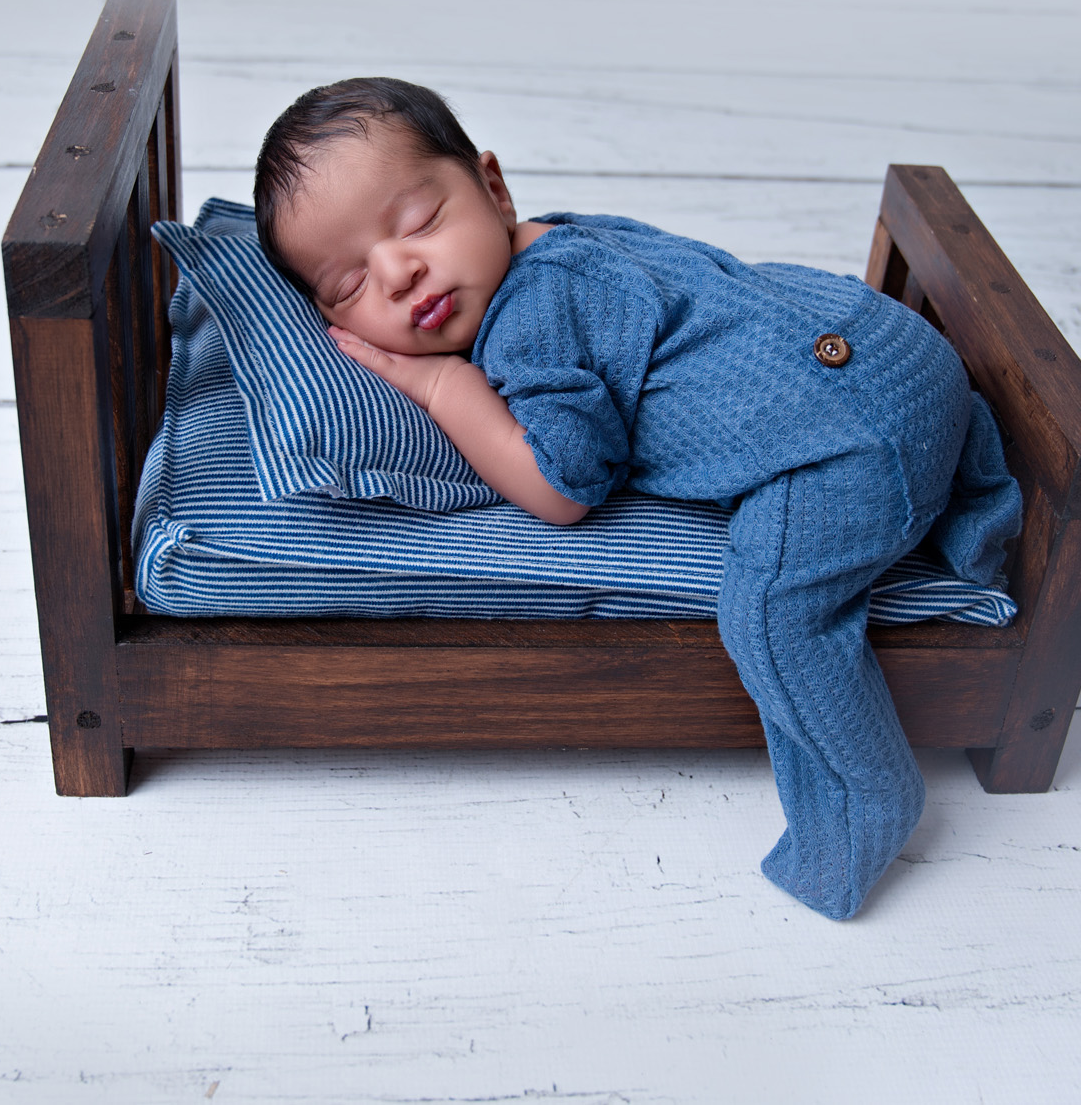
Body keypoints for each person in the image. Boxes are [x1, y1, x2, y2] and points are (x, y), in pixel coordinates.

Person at [253, 77, 1020, 919]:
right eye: (348, 284)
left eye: (418, 223)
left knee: (773, 614)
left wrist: (444, 390)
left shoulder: (529, 320)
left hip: (845, 453)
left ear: (493, 186)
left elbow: (563, 485)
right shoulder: (571, 239)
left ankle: (861, 807)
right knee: (877, 407)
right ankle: (978, 517)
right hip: (901, 347)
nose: (399, 273)